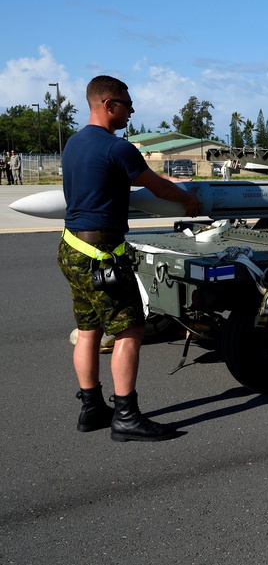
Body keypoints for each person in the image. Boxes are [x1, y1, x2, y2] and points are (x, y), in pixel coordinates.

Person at [58, 75, 202, 442]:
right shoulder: (117, 148)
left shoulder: (73, 143)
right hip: (101, 254)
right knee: (130, 330)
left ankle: (92, 409)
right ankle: (126, 415)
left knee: (89, 329)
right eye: (126, 102)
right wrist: (189, 200)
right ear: (107, 105)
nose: (132, 109)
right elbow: (157, 186)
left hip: (72, 248)